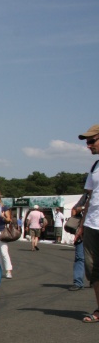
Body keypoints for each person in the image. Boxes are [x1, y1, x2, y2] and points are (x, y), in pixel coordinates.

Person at [77, 124, 99, 322]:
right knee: (93, 269)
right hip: (93, 223)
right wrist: (82, 224)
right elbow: (89, 197)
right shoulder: (95, 167)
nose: (88, 145)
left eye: (92, 141)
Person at [70, 198, 87, 291]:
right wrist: (84, 208)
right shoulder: (87, 196)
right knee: (80, 257)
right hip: (82, 232)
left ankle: (94, 279)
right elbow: (74, 210)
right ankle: (78, 282)